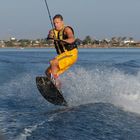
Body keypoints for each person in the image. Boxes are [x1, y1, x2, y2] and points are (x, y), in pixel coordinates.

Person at [45, 14, 78, 89]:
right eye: (54, 23)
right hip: (63, 56)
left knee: (53, 62)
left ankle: (55, 83)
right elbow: (49, 37)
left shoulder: (67, 29)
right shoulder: (53, 31)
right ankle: (58, 87)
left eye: (58, 22)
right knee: (48, 72)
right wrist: (50, 36)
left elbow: (72, 38)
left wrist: (63, 41)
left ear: (62, 22)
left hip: (71, 54)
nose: (56, 25)